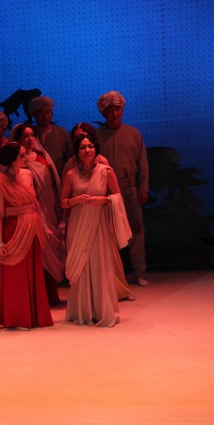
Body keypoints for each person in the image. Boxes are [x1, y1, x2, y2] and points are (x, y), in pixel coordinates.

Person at [61, 135, 127, 327]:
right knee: (82, 266)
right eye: (83, 147)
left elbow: (117, 196)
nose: (87, 150)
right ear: (77, 152)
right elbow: (63, 202)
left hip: (98, 223)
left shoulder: (106, 172)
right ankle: (83, 311)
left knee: (99, 264)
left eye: (90, 146)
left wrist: (102, 200)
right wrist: (75, 200)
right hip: (78, 224)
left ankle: (101, 310)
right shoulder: (71, 175)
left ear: (96, 149)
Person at [0, 143, 54, 330]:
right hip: (13, 230)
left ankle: (35, 316)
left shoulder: (28, 174)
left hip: (33, 228)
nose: (26, 158)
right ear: (12, 161)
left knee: (33, 271)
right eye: (22, 156)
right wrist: (0, 243)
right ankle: (18, 318)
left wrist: (45, 227)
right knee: (15, 274)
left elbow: (36, 204)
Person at [96, 91, 150, 286]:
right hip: (107, 190)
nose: (114, 113)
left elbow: (142, 163)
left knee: (136, 230)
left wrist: (143, 188)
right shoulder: (97, 136)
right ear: (103, 112)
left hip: (130, 189)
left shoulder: (133, 134)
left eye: (117, 109)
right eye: (109, 110)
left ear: (122, 110)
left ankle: (139, 272)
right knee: (109, 233)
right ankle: (114, 276)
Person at [14, 122, 66, 305]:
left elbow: (54, 183)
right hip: (31, 211)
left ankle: (53, 294)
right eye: (25, 136)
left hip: (49, 209)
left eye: (32, 135)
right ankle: (41, 297)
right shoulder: (18, 162)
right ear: (18, 140)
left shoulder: (43, 157)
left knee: (52, 248)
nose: (30, 139)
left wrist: (58, 207)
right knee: (40, 252)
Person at [28, 96, 72, 176]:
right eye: (41, 113)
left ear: (52, 113)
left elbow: (70, 160)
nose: (45, 116)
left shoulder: (62, 133)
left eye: (48, 112)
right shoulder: (29, 135)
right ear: (34, 114)